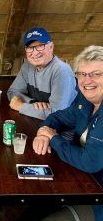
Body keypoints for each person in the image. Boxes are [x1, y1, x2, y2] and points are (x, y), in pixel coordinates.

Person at [33, 45, 103, 220]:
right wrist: (43, 132)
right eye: (82, 74)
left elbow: (89, 162)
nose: (87, 81)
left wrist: (53, 138)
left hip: (97, 195)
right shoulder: (86, 99)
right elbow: (60, 117)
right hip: (81, 182)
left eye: (96, 74)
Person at [7, 27, 77, 120]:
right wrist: (32, 103)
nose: (35, 53)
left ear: (51, 47)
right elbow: (12, 92)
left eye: (40, 46)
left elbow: (58, 114)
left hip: (68, 127)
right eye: (30, 47)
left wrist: (21, 107)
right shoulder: (27, 65)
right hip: (40, 121)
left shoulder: (61, 70)